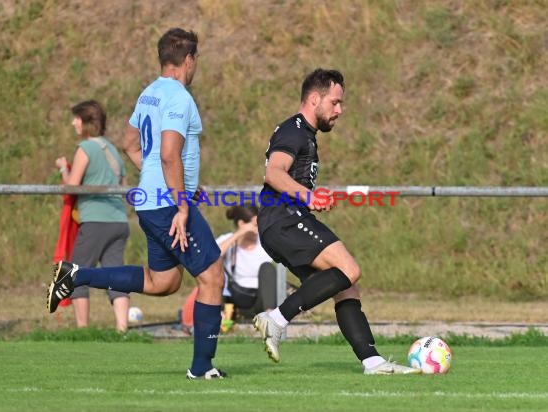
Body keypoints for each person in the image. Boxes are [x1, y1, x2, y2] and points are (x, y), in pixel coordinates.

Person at [47, 28, 227, 380]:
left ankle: (77, 274)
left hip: (152, 201)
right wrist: (182, 202)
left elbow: (131, 143)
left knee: (163, 282)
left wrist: (172, 184)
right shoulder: (179, 97)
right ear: (188, 60)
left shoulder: (149, 94)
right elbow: (169, 152)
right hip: (168, 206)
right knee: (213, 277)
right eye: (196, 60)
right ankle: (202, 368)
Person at [253, 68, 420, 375]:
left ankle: (373, 362)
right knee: (349, 269)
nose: (340, 110)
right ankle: (275, 319)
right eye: (335, 102)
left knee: (347, 288)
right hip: (284, 219)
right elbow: (274, 173)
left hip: (282, 222)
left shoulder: (306, 134)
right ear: (314, 99)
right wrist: (308, 196)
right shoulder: (294, 130)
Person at [54, 100, 130, 332]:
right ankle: (122, 329)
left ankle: (83, 330)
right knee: (115, 274)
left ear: (87, 122)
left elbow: (72, 186)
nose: (73, 123)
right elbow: (124, 185)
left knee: (76, 272)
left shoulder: (85, 149)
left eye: (76, 118)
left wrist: (63, 168)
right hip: (119, 221)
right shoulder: (113, 150)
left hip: (96, 221)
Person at [180, 204, 277, 333]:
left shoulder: (264, 242)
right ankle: (219, 320)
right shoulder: (228, 239)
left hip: (259, 300)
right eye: (255, 224)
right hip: (232, 300)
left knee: (267, 268)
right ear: (242, 223)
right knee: (216, 270)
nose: (258, 228)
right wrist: (239, 234)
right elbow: (211, 257)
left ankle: (271, 320)